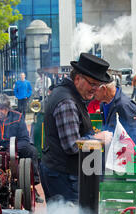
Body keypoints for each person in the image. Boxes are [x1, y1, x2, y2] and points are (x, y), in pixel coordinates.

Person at [40, 53, 113, 203]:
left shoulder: (69, 94)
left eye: (98, 85)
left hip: (62, 172)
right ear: (78, 78)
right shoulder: (67, 101)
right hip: (63, 176)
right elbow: (72, 146)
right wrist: (98, 138)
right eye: (92, 84)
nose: (95, 89)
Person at [0, 94, 43, 203]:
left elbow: (24, 139)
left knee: (31, 151)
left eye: (2, 109)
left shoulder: (17, 117)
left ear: (8, 109)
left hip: (14, 148)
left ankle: (33, 185)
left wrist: (12, 150)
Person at [93, 77, 136, 154]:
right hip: (112, 154)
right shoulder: (103, 103)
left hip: (123, 157)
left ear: (104, 89)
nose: (93, 92)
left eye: (95, 89)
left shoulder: (125, 105)